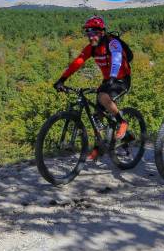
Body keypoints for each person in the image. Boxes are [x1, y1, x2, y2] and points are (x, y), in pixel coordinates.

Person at [54, 15, 131, 160]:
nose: (91, 37)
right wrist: (61, 80)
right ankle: (101, 146)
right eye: (88, 34)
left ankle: (122, 122)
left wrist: (113, 77)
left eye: (94, 34)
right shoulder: (91, 48)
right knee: (97, 116)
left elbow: (117, 59)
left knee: (102, 96)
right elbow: (77, 62)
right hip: (108, 80)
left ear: (102, 32)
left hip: (121, 79)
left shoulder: (113, 43)